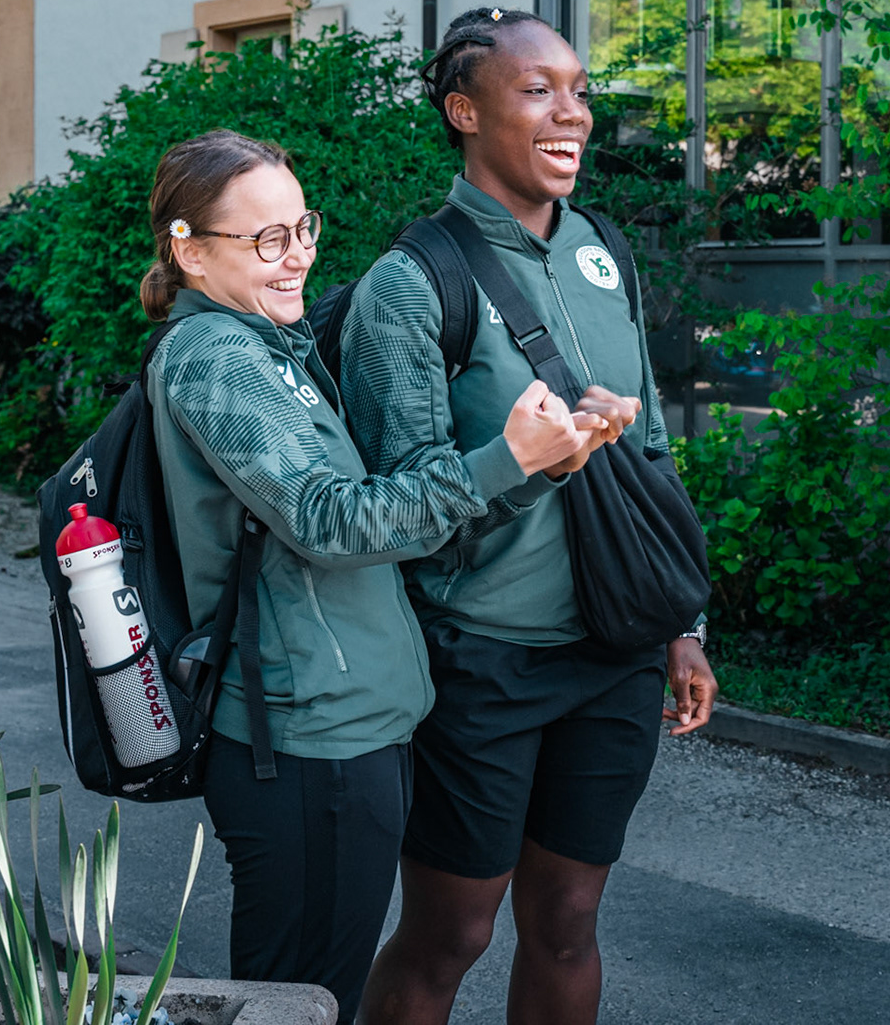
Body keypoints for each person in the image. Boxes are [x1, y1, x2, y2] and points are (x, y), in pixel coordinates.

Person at [139, 129, 601, 1023]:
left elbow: (391, 520)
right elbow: (331, 521)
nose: (296, 257)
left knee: (315, 996)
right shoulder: (215, 358)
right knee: (297, 1004)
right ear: (188, 249)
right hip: (308, 742)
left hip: (347, 730)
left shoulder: (271, 344)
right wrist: (502, 460)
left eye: (301, 228)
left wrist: (537, 465)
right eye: (263, 239)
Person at [344, 7, 718, 1024]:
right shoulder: (412, 284)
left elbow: (652, 456)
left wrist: (680, 622)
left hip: (611, 650)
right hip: (481, 658)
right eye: (537, 89)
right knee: (452, 930)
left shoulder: (602, 249)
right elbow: (399, 510)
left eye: (581, 88)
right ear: (465, 111)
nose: (573, 113)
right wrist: (536, 457)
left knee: (568, 917)